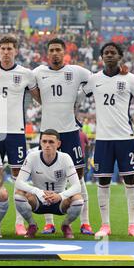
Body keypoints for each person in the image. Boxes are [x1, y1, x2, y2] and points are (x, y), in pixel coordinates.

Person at [83, 42, 134, 238]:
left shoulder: (129, 78)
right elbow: (78, 95)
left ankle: (133, 225)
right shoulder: (94, 79)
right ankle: (105, 225)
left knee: (130, 179)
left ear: (120, 56)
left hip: (125, 137)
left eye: (113, 52)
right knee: (103, 181)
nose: (109, 55)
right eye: (106, 53)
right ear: (101, 56)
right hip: (103, 139)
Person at [30, 38, 94, 235]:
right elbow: (24, 81)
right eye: (52, 50)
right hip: (48, 132)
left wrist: (79, 96)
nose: (55, 53)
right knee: (44, 178)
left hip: (70, 132)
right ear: (47, 54)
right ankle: (49, 222)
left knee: (79, 177)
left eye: (58, 49)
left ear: (65, 52)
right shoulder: (38, 72)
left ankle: (85, 222)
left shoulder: (76, 71)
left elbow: (96, 80)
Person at [0, 34, 41, 236]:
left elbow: (39, 99)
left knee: (19, 178)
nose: (6, 52)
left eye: (10, 48)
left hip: (16, 132)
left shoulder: (26, 73)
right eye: (3, 48)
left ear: (16, 51)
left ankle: (19, 222)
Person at [14, 129, 83, 239]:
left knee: (78, 199)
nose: (47, 145)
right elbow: (18, 182)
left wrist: (60, 196)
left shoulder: (65, 158)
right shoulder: (32, 157)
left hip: (60, 202)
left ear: (58, 144)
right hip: (38, 200)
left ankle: (65, 225)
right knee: (18, 194)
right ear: (40, 142)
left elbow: (77, 186)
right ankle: (32, 224)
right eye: (44, 141)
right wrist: (37, 191)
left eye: (51, 142)